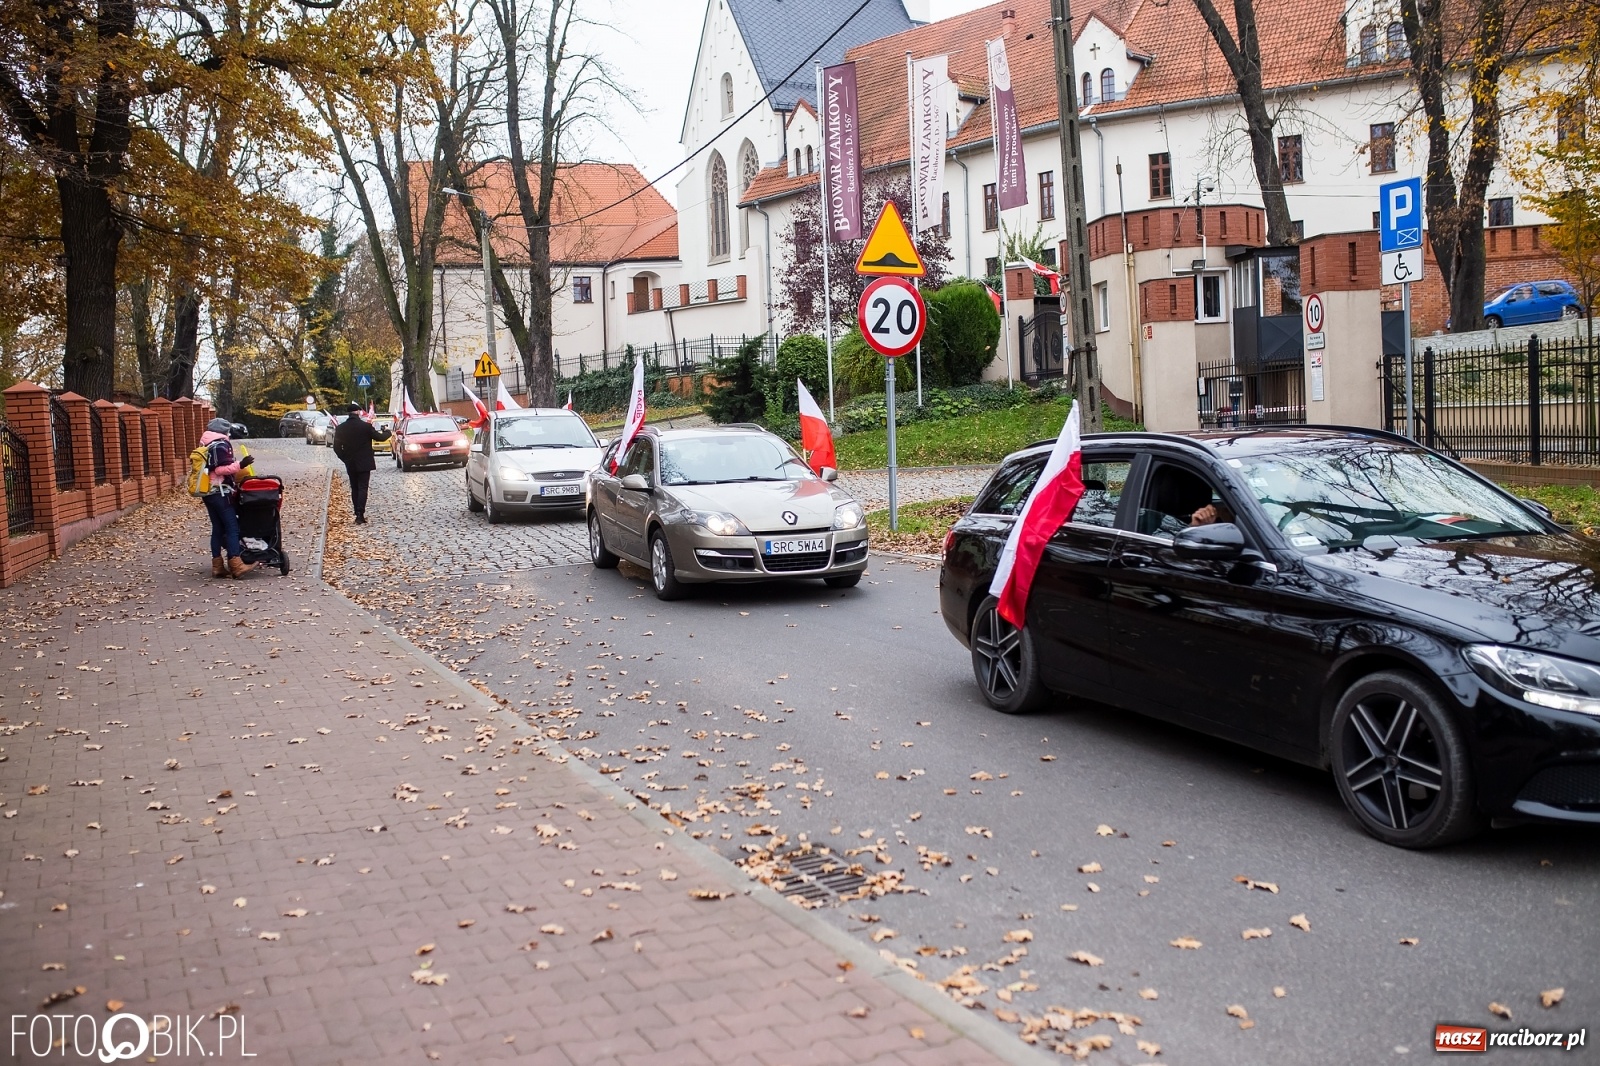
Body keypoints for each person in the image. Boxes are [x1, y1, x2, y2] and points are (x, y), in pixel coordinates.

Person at [197, 417, 256, 578]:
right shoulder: (220, 444)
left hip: (208, 492)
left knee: (217, 528)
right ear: (223, 431)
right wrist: (240, 465)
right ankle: (236, 565)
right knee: (232, 528)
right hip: (220, 492)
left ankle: (217, 566)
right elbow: (220, 469)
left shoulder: (206, 444)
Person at [331, 401, 391, 524]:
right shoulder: (366, 427)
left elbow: (336, 447)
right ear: (358, 412)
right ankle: (360, 514)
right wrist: (387, 431)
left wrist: (345, 458)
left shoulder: (341, 428)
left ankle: (356, 512)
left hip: (350, 462)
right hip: (365, 462)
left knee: (355, 487)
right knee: (363, 487)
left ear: (348, 413)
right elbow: (380, 438)